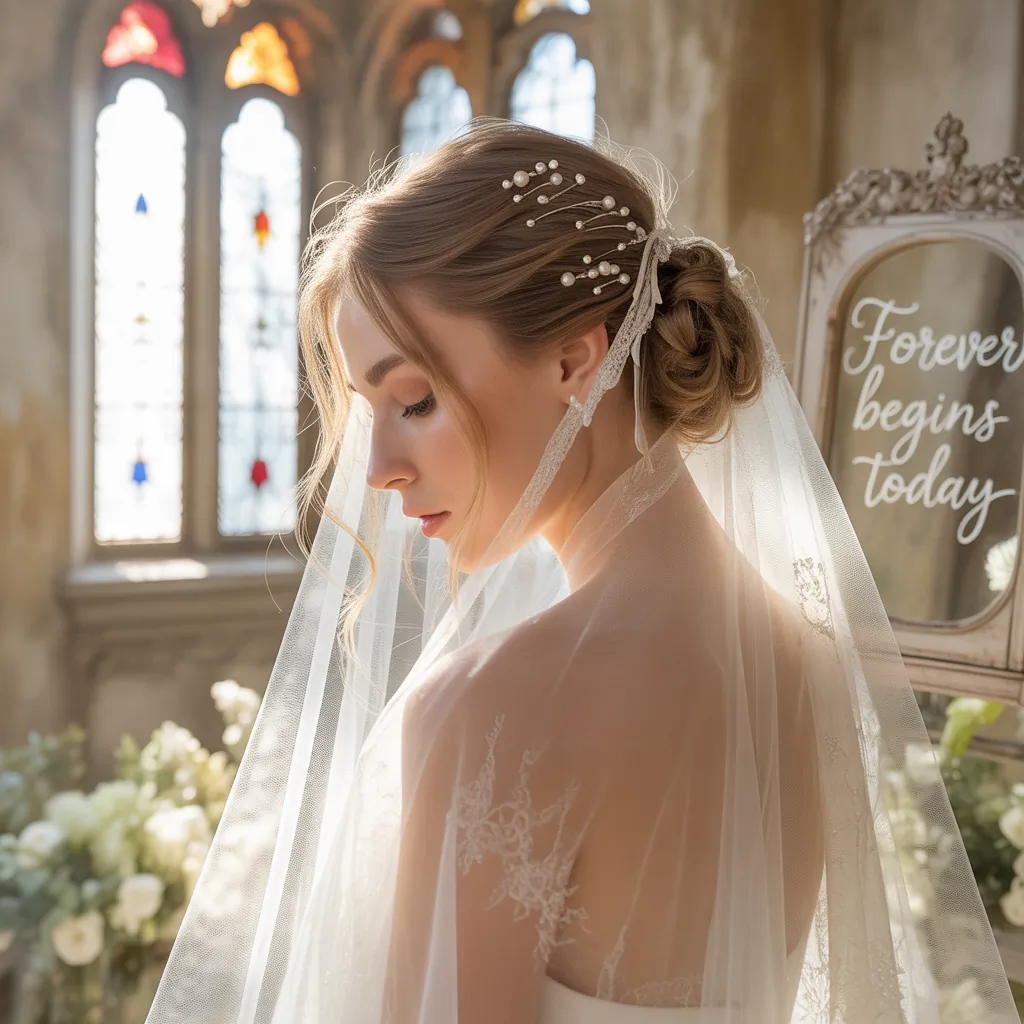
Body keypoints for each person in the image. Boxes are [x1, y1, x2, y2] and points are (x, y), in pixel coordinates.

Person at [146, 121, 1017, 1023]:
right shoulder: (803, 662)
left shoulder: (491, 707)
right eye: (375, 414)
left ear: (575, 358)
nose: (380, 470)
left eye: (414, 399)